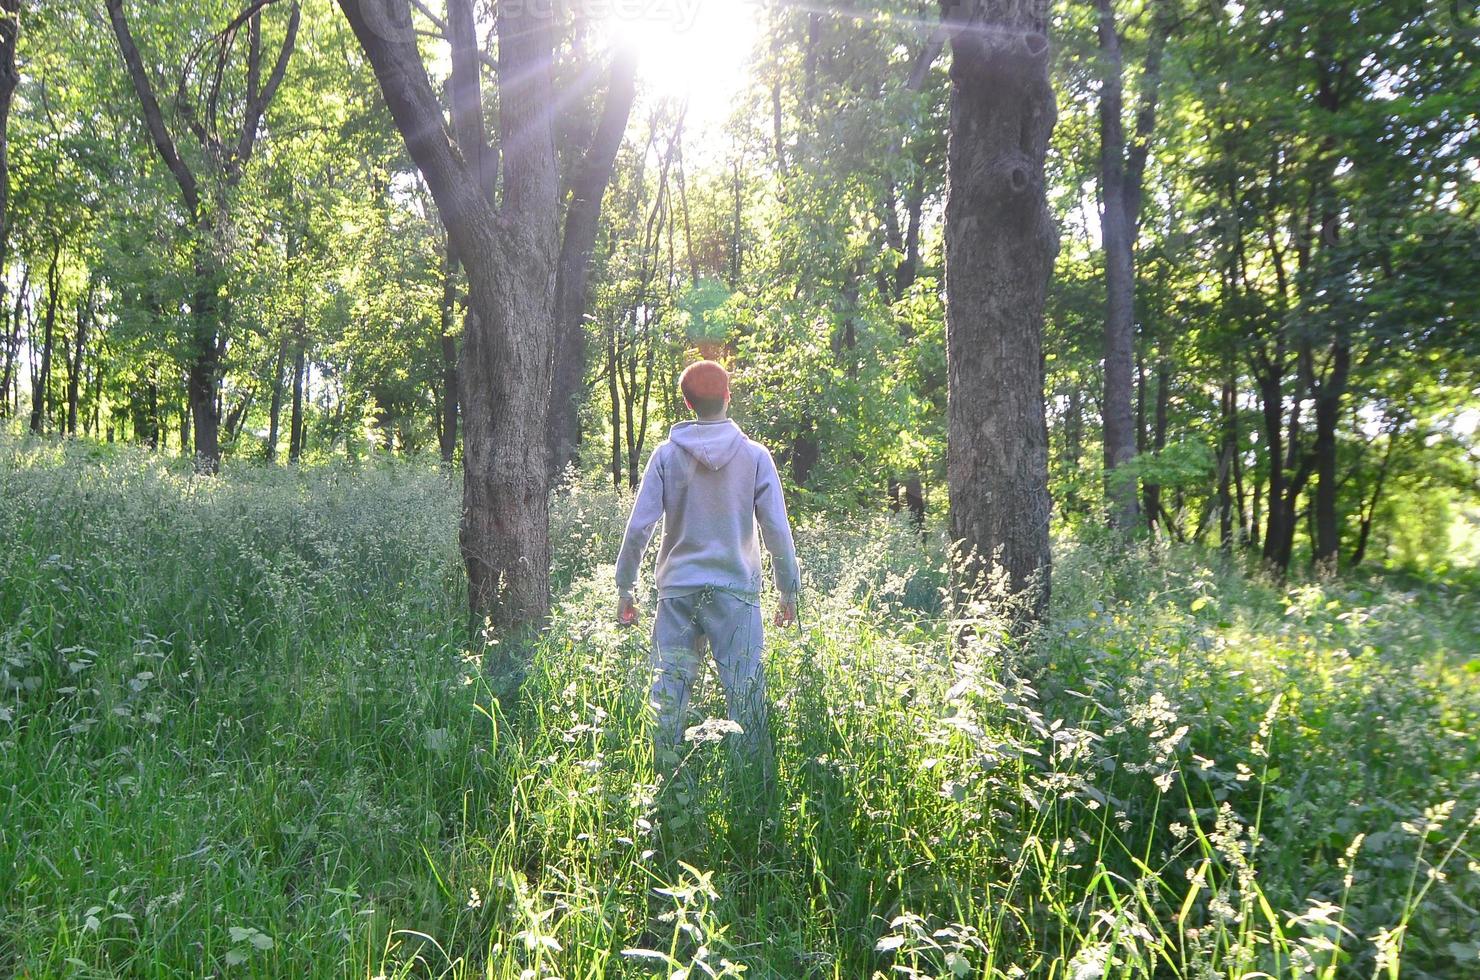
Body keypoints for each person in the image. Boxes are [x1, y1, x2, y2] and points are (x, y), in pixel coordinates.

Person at [615, 360, 800, 778]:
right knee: (746, 694)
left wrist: (626, 587)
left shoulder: (666, 457)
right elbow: (775, 527)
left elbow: (640, 525)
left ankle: (663, 782)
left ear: (687, 401)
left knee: (669, 692)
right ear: (728, 395)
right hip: (735, 593)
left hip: (678, 591)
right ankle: (754, 787)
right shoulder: (754, 457)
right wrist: (787, 591)